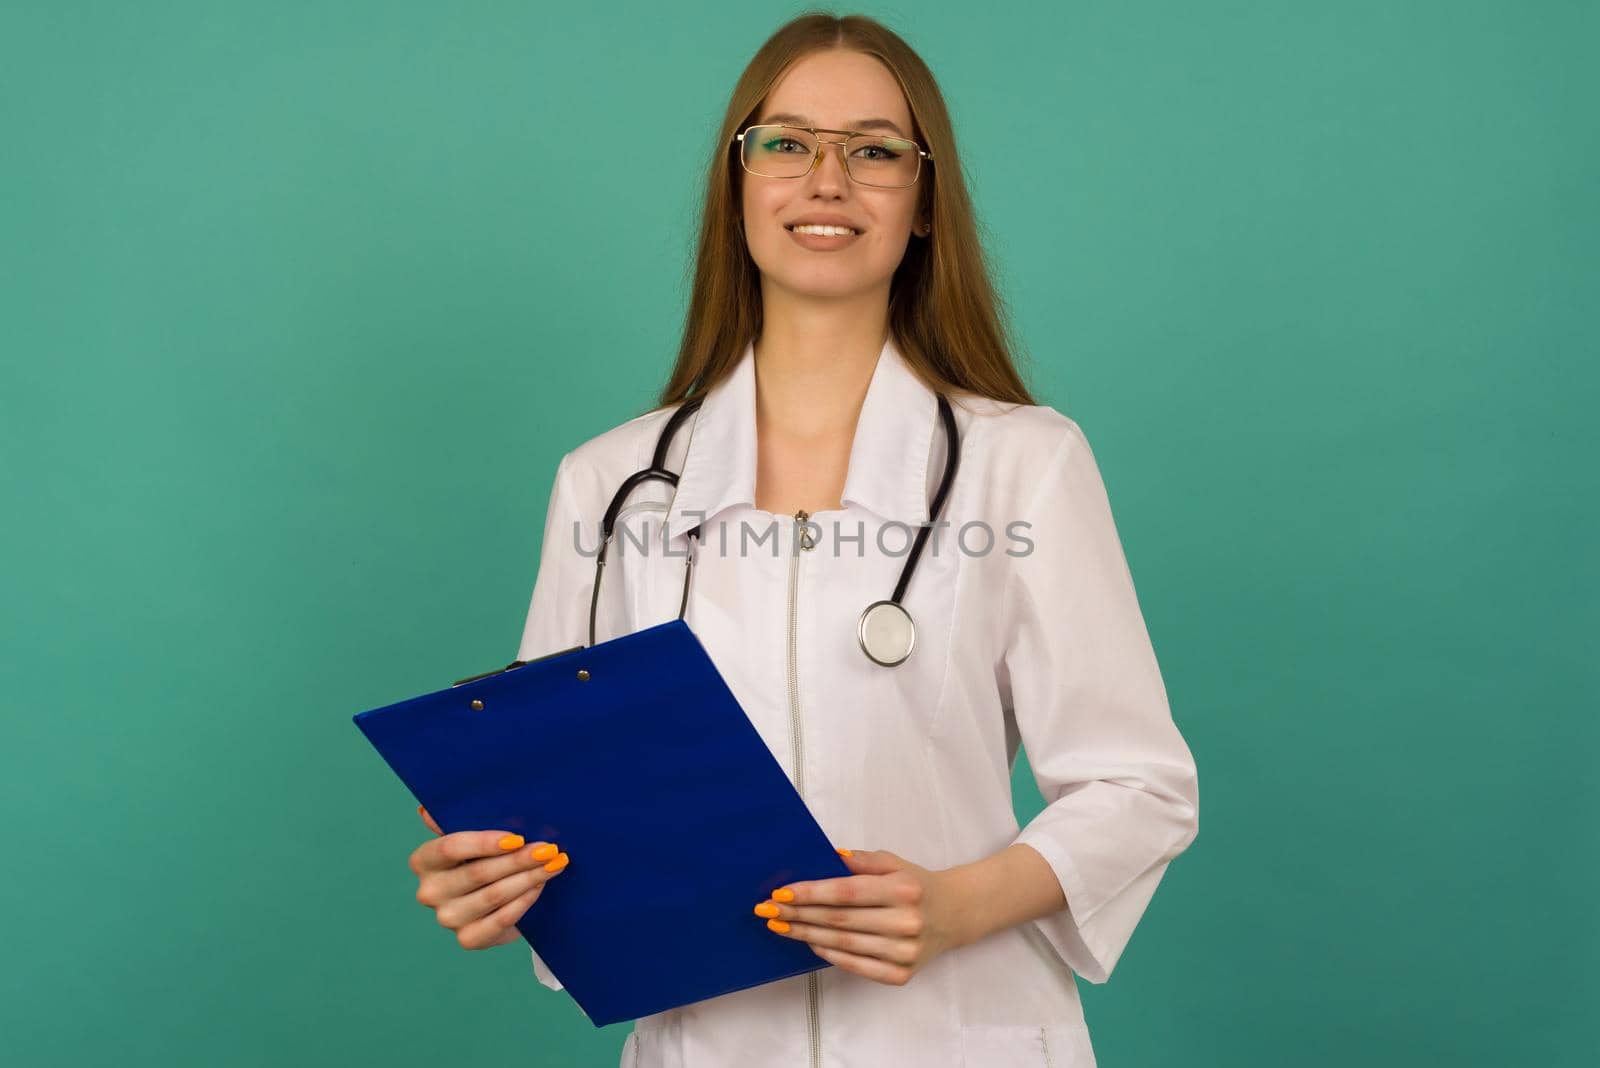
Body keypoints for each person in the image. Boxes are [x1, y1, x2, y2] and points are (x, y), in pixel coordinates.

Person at [408, 12, 1199, 1067]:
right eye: (785, 144)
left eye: (873, 150)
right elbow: (561, 803)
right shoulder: (608, 486)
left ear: (922, 204)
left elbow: (1137, 788)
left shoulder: (1024, 464)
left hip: (957, 1038)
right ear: (737, 186)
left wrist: (957, 906)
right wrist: (497, 875)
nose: (826, 180)